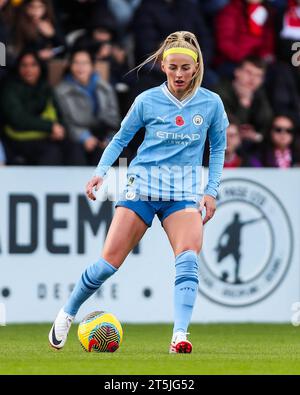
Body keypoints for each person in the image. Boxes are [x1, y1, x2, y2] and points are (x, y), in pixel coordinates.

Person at [49, 31, 229, 354]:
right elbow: (120, 139)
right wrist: (99, 174)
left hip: (183, 193)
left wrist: (211, 190)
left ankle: (180, 336)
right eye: (172, 67)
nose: (178, 74)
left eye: (185, 68)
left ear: (196, 67)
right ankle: (68, 312)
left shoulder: (211, 103)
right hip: (142, 188)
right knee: (108, 264)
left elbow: (218, 149)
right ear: (163, 65)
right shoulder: (147, 101)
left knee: (188, 259)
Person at [55, 49, 120, 166]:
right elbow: (66, 122)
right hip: (77, 137)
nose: (81, 67)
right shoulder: (61, 91)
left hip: (103, 134)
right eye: (76, 63)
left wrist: (109, 138)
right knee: (76, 155)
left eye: (85, 63)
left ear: (92, 66)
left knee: (118, 153)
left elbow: (114, 118)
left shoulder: (105, 88)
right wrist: (84, 137)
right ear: (70, 66)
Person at [0, 50, 66, 165]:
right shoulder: (10, 88)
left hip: (45, 137)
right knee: (51, 153)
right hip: (17, 139)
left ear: (40, 67)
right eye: (24, 65)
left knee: (70, 149)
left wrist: (60, 129)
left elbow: (59, 114)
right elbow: (18, 119)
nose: (28, 70)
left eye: (33, 65)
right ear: (18, 68)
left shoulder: (45, 87)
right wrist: (50, 126)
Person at [213, 56, 273, 143]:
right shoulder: (219, 93)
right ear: (237, 72)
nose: (252, 79)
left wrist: (256, 136)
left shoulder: (259, 94)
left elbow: (266, 122)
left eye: (258, 75)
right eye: (249, 73)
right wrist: (244, 102)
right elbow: (227, 126)